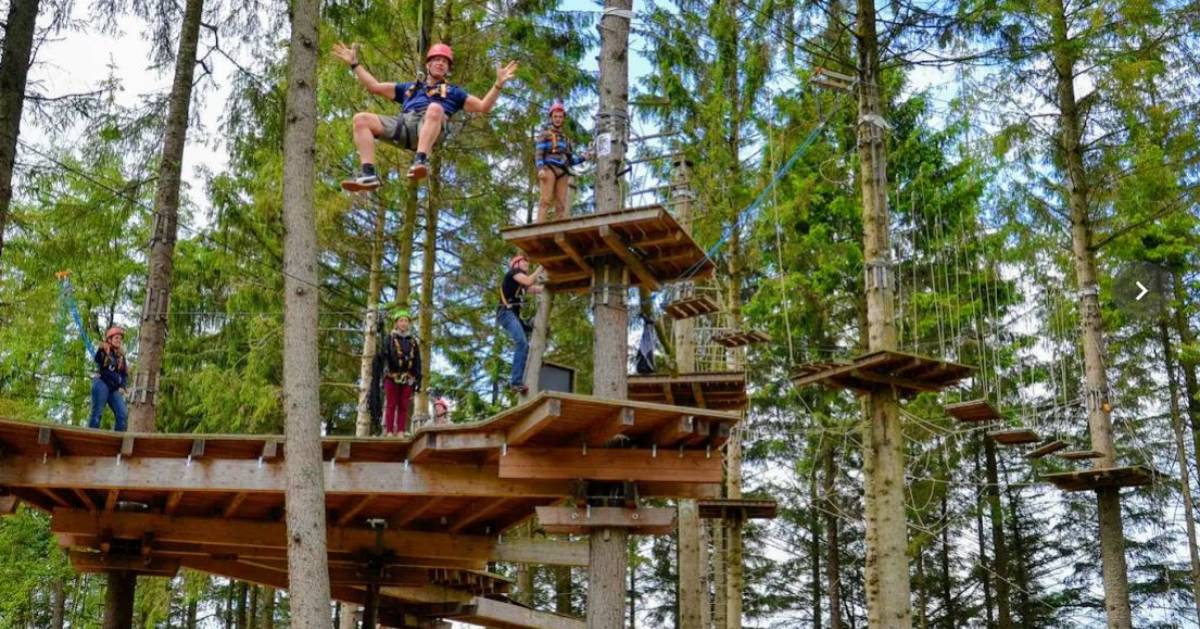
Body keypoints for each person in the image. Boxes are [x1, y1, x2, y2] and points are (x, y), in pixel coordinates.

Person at [333, 41, 519, 189]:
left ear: (448, 69)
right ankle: (368, 174)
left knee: (435, 108)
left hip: (431, 128)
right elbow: (374, 87)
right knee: (361, 119)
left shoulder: (454, 92)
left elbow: (483, 106)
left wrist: (498, 84)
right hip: (405, 126)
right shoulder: (410, 88)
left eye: (445, 62)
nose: (440, 63)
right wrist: (354, 64)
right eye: (437, 59)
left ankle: (421, 160)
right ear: (428, 64)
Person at [497, 255, 544, 394]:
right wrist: (541, 267)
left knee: (531, 329)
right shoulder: (513, 273)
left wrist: (550, 286)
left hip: (514, 317)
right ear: (515, 264)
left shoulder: (521, 284)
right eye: (524, 262)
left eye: (527, 262)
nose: (527, 264)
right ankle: (516, 382)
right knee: (522, 343)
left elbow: (534, 288)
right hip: (506, 313)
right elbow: (529, 281)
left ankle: (525, 372)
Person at [535, 100, 590, 221]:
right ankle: (539, 229)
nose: (558, 119)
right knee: (546, 200)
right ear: (551, 117)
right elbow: (539, 153)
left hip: (563, 171)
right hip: (548, 168)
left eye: (560, 117)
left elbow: (570, 160)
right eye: (555, 116)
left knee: (561, 204)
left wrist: (583, 158)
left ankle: (558, 230)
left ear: (563, 118)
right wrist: (540, 169)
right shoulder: (544, 134)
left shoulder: (566, 139)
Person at [380, 308, 423, 436]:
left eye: (406, 321)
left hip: (407, 377)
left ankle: (400, 431)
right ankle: (388, 431)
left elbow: (417, 361)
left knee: (403, 406)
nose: (404, 323)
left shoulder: (413, 342)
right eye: (401, 321)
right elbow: (384, 355)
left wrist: (417, 378)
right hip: (392, 375)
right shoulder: (389, 339)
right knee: (391, 404)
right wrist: (386, 369)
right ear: (396, 323)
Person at [88, 327, 129, 431]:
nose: (119, 340)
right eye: (116, 338)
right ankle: (91, 436)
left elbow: (124, 374)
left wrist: (122, 386)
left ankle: (119, 442)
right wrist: (102, 349)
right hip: (102, 383)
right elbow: (98, 360)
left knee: (122, 414)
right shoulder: (105, 350)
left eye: (120, 338)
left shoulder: (121, 357)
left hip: (113, 389)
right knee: (97, 413)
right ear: (110, 340)